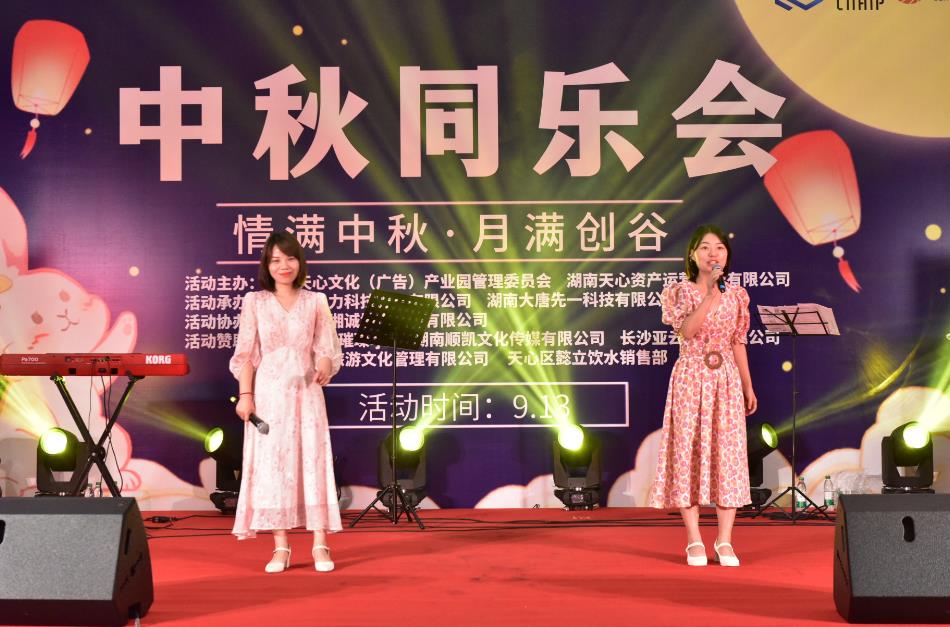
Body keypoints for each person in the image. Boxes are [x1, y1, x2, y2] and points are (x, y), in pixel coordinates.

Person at [229, 232, 343, 573]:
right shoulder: (255, 302)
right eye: (276, 259)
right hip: (269, 394)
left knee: (312, 460)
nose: (284, 266)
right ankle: (281, 547)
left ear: (299, 262)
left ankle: (320, 542)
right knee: (273, 466)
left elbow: (326, 347)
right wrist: (246, 396)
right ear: (267, 265)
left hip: (306, 392)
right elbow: (246, 354)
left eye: (290, 258)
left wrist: (325, 364)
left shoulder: (316, 301)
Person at [648, 225, 757, 567]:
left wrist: (747, 385)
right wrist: (709, 295)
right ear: (693, 255)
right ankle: (694, 539)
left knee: (729, 455)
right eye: (706, 247)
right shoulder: (679, 291)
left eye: (720, 247)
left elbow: (738, 341)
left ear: (727, 255)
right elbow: (686, 331)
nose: (713, 253)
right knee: (688, 453)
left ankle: (725, 540)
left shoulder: (737, 295)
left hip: (725, 379)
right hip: (691, 377)